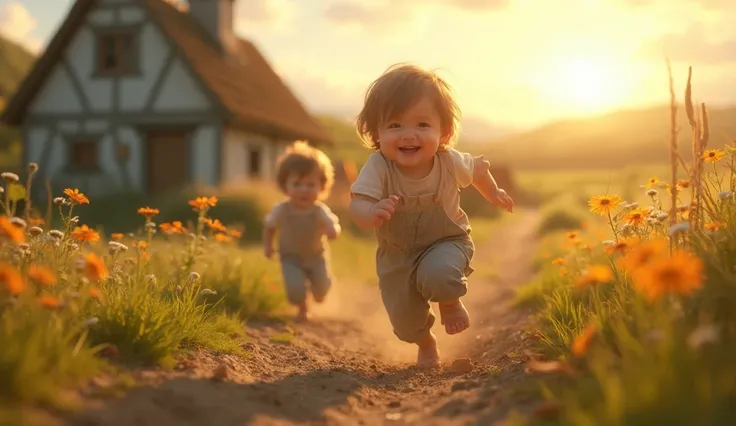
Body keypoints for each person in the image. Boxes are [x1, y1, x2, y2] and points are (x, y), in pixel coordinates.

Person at [348, 64, 514, 367]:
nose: (409, 135)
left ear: (444, 132)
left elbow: (479, 170)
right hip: (397, 256)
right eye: (395, 125)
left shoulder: (449, 161)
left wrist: (494, 194)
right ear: (376, 133)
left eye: (422, 124)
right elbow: (357, 204)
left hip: (447, 241)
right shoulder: (378, 167)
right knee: (405, 322)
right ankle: (426, 342)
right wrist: (370, 212)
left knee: (439, 274)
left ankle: (449, 303)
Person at [263, 141, 342, 322]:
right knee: (295, 290)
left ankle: (321, 289)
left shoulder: (319, 210)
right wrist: (268, 246)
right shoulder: (281, 209)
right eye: (297, 184)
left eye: (310, 184)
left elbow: (333, 225)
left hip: (316, 257)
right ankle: (303, 307)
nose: (304, 190)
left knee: (321, 288)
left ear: (321, 187)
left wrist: (333, 231)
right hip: (290, 257)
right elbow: (269, 226)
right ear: (285, 186)